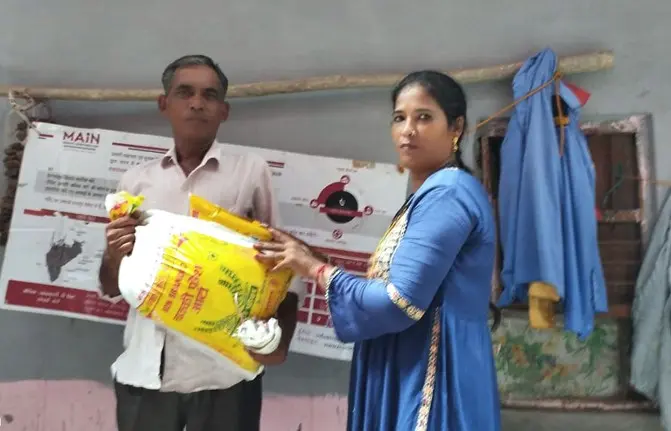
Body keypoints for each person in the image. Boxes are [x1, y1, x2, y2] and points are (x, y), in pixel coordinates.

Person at [255, 71, 501, 430]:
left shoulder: (447, 194)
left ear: (456, 127)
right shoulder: (434, 193)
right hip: (413, 363)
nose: (408, 129)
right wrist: (313, 259)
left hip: (431, 376)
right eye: (400, 118)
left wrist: (316, 270)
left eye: (424, 117)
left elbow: (399, 300)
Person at [98, 54, 304, 431]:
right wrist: (114, 254)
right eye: (185, 92)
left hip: (224, 374)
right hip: (146, 372)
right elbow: (111, 287)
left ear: (223, 111)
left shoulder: (249, 173)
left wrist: (278, 344)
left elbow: (285, 266)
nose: (197, 103)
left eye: (209, 95)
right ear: (165, 104)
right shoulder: (136, 182)